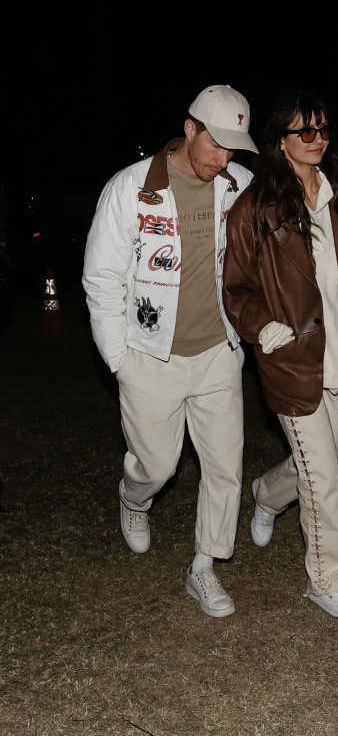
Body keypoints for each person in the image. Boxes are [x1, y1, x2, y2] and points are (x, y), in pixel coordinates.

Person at [83, 85, 257, 618]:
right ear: (189, 128)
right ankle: (133, 500)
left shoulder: (240, 185)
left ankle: (203, 566)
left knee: (225, 466)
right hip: (149, 356)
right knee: (158, 466)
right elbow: (102, 277)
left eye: (233, 148)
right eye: (215, 145)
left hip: (217, 352)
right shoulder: (132, 188)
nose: (222, 159)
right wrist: (118, 358)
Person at [223, 92, 338, 621]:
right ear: (281, 140)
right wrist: (261, 326)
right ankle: (328, 577)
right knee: (324, 478)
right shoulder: (257, 206)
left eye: (324, 131)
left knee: (313, 466)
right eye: (305, 133)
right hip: (291, 359)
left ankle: (266, 494)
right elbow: (237, 288)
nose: (317, 140)